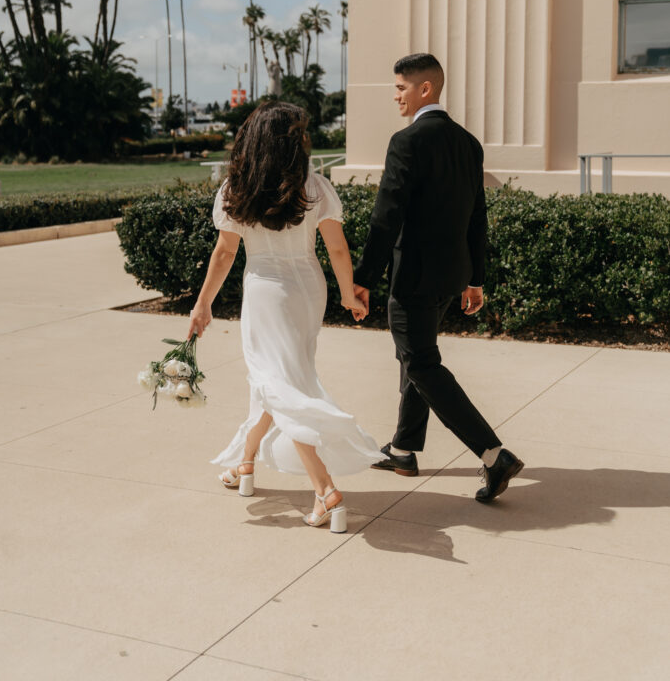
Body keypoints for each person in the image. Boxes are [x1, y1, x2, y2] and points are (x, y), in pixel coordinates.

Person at [188, 101, 382, 532]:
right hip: (307, 289)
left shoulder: (235, 190)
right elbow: (336, 249)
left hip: (264, 292)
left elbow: (224, 253)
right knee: (279, 380)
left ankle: (326, 491)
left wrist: (202, 304)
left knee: (279, 383)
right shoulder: (314, 187)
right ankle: (246, 462)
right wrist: (349, 295)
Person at [353, 53, 524, 502]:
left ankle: (492, 454)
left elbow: (385, 216)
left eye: (400, 88)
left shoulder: (407, 141)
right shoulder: (468, 144)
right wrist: (475, 279)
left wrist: (364, 277)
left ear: (424, 89)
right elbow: (477, 217)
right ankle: (405, 449)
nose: (396, 96)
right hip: (451, 277)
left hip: (412, 279)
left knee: (422, 364)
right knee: (415, 359)